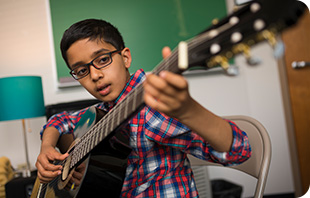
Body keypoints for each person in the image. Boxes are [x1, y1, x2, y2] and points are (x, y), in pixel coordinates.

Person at [35, 19, 251, 197]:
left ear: (125, 57)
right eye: (81, 70)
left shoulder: (152, 111)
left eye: (102, 59)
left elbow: (239, 150)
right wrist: (48, 147)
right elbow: (60, 120)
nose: (94, 75)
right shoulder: (101, 111)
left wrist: (189, 111)